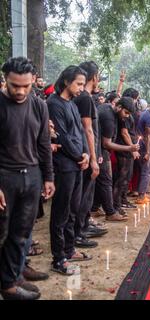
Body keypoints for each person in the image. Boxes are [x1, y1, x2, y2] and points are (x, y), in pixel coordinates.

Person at [0, 57, 55, 300]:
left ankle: (10, 282)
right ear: (5, 80)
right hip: (4, 177)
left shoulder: (39, 106)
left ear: (33, 81)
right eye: (15, 86)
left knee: (21, 233)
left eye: (26, 86)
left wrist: (48, 177)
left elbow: (43, 144)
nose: (20, 91)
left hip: (31, 175)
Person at [47, 65, 92, 276]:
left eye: (83, 84)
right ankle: (59, 258)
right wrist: (78, 155)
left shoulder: (73, 104)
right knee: (61, 212)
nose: (82, 88)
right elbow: (62, 136)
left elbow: (81, 132)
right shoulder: (53, 103)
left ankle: (69, 248)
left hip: (77, 163)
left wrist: (86, 154)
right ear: (66, 81)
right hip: (64, 166)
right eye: (79, 83)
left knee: (73, 209)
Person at [73, 61, 102, 248]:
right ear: (95, 77)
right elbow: (87, 129)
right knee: (82, 196)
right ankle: (78, 231)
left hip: (90, 153)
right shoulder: (84, 98)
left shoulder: (86, 97)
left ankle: (83, 226)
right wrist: (92, 157)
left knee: (87, 195)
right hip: (85, 154)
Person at [96, 97, 139, 222]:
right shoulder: (108, 117)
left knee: (102, 181)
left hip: (100, 151)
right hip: (100, 151)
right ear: (119, 107)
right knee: (106, 181)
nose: (126, 116)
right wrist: (129, 148)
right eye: (126, 113)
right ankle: (110, 211)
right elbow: (107, 143)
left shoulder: (111, 109)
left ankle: (95, 207)